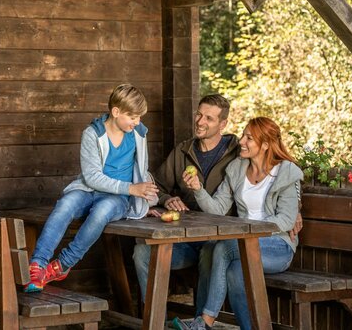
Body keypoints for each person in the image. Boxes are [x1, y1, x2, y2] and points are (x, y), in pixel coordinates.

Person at [23, 84, 158, 292]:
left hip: (117, 198)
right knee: (66, 203)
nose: (137, 122)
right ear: (116, 112)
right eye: (133, 116)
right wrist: (132, 188)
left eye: (139, 117)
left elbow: (141, 169)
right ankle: (38, 264)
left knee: (101, 211)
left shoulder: (138, 134)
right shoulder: (92, 134)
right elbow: (92, 177)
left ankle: (63, 264)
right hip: (89, 189)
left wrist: (143, 200)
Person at [172, 117, 303, 330]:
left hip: (278, 247)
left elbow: (287, 219)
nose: (241, 141)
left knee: (223, 246)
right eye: (243, 135)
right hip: (243, 247)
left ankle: (205, 321)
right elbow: (217, 209)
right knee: (234, 271)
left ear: (266, 144)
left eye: (249, 138)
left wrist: (249, 231)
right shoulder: (237, 169)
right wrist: (198, 188)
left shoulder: (286, 173)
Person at [132, 94, 240, 305]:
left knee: (211, 252)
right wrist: (166, 199)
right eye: (199, 114)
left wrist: (297, 206)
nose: (200, 122)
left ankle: (201, 324)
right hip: (185, 241)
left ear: (223, 124)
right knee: (142, 253)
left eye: (209, 118)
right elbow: (158, 185)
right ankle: (155, 323)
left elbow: (275, 165)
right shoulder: (182, 151)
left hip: (220, 239)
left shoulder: (237, 153)